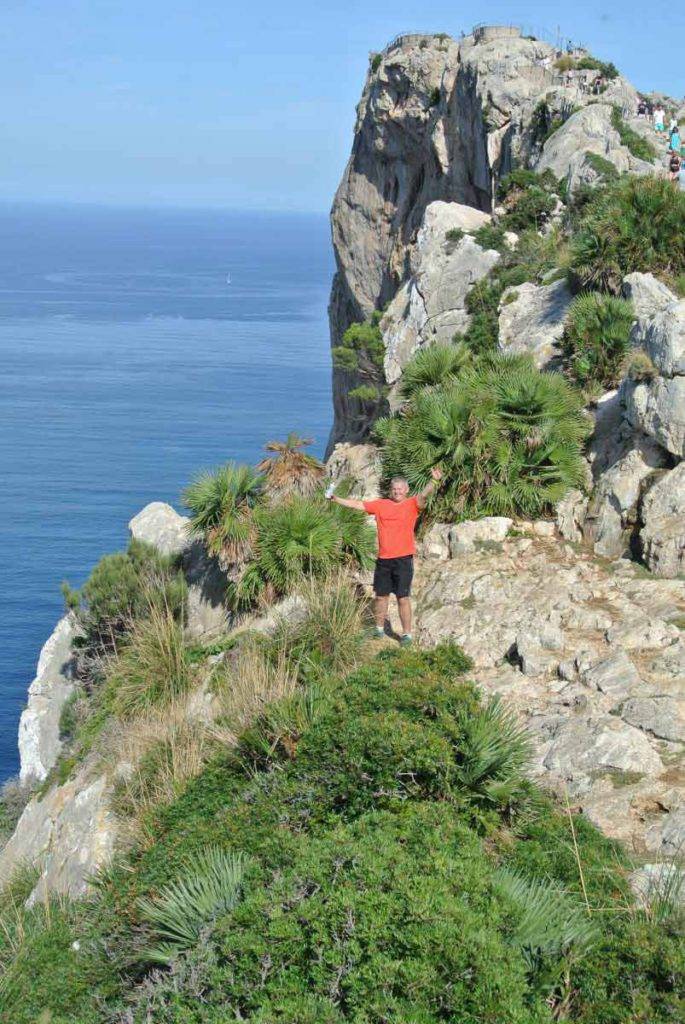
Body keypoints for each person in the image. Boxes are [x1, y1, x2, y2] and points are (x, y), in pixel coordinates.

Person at [329, 467, 443, 646]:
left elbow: (424, 496)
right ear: (391, 490)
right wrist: (336, 499)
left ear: (406, 490)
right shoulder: (381, 505)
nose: (397, 492)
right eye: (394, 489)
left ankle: (406, 634)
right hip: (384, 559)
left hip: (403, 560)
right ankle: (379, 629)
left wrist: (434, 481)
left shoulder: (412, 504)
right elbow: (358, 505)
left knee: (402, 598)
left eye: (400, 489)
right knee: (381, 596)